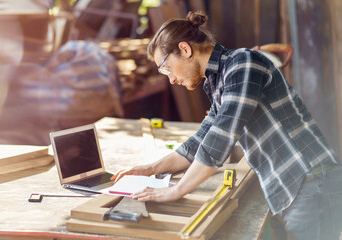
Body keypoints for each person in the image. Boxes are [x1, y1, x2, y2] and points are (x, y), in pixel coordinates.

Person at [111, 11, 342, 240]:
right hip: (299, 188)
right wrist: (150, 169)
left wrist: (176, 190)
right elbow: (200, 141)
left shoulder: (243, 64)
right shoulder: (219, 81)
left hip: (312, 183)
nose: (171, 79)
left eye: (167, 68)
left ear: (185, 49)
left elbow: (220, 140)